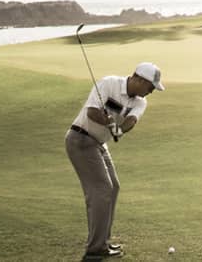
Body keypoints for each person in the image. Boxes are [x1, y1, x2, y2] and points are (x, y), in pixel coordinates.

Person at [66, 59, 167, 261]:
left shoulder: (140, 101)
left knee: (113, 188)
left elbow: (132, 120)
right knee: (102, 189)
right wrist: (108, 121)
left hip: (99, 144)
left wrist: (119, 129)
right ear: (139, 79)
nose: (151, 91)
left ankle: (102, 242)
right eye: (150, 86)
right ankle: (95, 249)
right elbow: (92, 112)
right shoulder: (108, 83)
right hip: (80, 139)